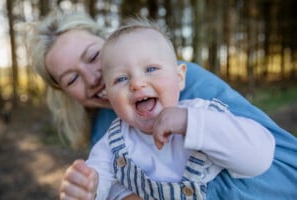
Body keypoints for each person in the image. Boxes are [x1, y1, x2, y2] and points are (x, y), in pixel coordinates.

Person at [27, 11, 297, 200]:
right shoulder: (106, 134)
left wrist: (192, 123)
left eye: (94, 56)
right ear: (64, 92)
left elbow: (265, 158)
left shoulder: (190, 96)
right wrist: (89, 188)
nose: (92, 78)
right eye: (72, 78)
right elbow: (107, 180)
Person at [83, 18, 275, 199]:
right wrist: (86, 189)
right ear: (108, 95)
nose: (137, 83)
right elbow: (96, 183)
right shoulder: (112, 143)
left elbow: (259, 158)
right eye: (121, 78)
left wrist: (190, 123)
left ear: (180, 77)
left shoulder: (203, 113)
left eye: (151, 69)